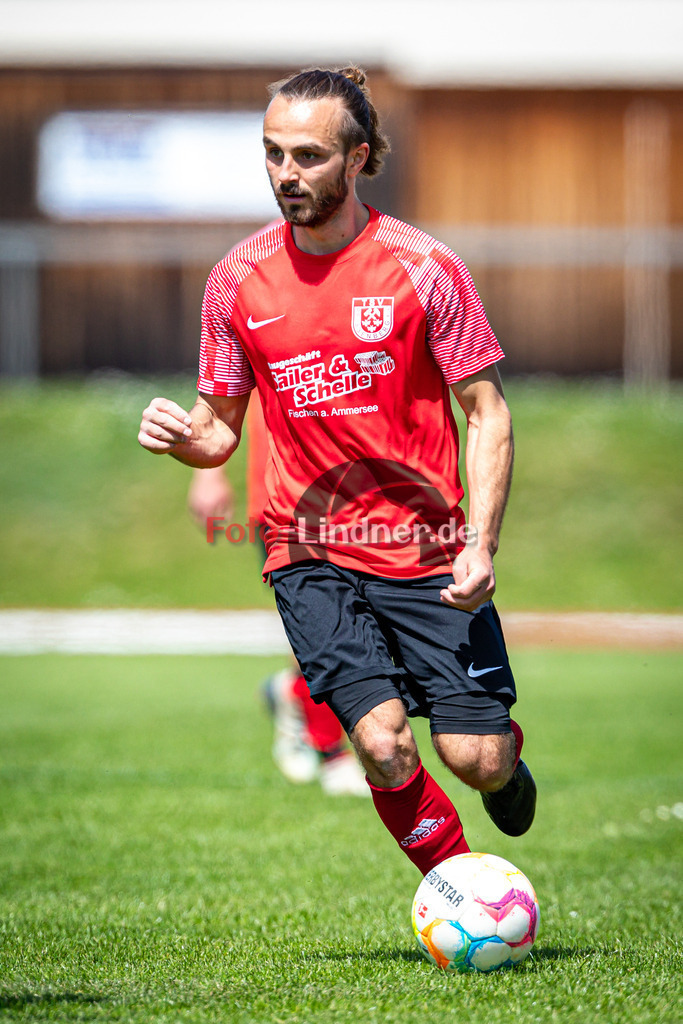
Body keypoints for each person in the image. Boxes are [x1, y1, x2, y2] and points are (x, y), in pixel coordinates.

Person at [138, 66, 536, 877]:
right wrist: (181, 437)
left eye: (308, 156)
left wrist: (481, 544)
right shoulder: (236, 281)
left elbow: (486, 413)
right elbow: (219, 435)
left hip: (426, 550)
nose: (286, 173)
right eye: (273, 154)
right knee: (382, 742)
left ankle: (500, 758)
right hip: (306, 549)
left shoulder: (423, 268)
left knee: (476, 758)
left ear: (357, 159)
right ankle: (458, 890)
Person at [187, 397, 369, 797]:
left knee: (369, 631)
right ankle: (331, 755)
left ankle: (291, 692)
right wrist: (208, 474)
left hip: (366, 493)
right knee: (323, 630)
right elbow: (225, 388)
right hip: (285, 498)